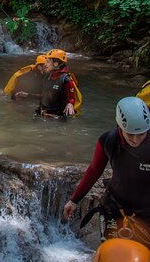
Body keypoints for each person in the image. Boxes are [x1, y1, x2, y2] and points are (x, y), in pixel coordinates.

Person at [62, 97, 150, 248]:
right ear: (119, 126)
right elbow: (95, 170)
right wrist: (74, 200)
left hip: (147, 213)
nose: (135, 140)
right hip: (115, 208)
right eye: (130, 134)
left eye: (141, 134)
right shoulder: (108, 141)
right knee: (112, 252)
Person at [37, 48, 79, 118]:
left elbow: (71, 98)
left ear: (56, 64)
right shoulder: (47, 76)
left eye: (47, 62)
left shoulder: (66, 80)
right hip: (43, 113)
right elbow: (43, 95)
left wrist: (70, 104)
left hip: (58, 117)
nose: (45, 64)